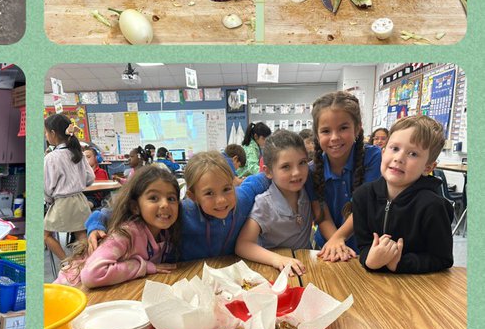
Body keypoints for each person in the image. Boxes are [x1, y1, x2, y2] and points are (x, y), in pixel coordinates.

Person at [86, 151, 270, 259]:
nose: (221, 200)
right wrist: (95, 226)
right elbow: (109, 212)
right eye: (209, 193)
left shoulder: (241, 197)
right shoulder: (180, 211)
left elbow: (263, 178)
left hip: (232, 279)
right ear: (192, 196)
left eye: (226, 189)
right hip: (186, 279)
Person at [353, 116, 453, 274]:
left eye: (413, 154)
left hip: (416, 289)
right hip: (373, 287)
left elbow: (442, 258)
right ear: (383, 152)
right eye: (395, 148)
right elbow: (364, 245)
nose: (399, 158)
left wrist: (401, 263)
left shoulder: (433, 206)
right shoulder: (362, 196)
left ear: (428, 167)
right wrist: (369, 260)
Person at [57, 165, 181, 288]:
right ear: (135, 207)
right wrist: (144, 266)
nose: (165, 204)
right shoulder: (127, 232)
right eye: (153, 198)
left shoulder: (167, 232)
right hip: (69, 292)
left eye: (171, 198)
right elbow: (91, 275)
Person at [235, 130, 326, 277]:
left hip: (307, 269)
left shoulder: (307, 192)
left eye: (302, 163)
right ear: (269, 172)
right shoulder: (264, 203)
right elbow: (243, 245)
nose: (297, 172)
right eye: (286, 167)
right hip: (277, 273)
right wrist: (277, 259)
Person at [308, 89, 382, 261]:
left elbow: (364, 206)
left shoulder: (373, 157)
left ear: (357, 129)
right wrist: (336, 242)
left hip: (367, 249)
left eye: (343, 128)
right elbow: (322, 215)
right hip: (328, 248)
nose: (334, 137)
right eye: (326, 131)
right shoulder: (312, 170)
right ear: (317, 135)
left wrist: (339, 239)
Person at [44, 113, 94, 261]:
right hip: (80, 200)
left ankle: (66, 262)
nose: (46, 135)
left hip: (63, 203)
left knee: (45, 235)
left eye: (46, 132)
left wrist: (49, 200)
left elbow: (47, 186)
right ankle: (86, 262)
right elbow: (90, 178)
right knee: (81, 235)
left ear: (53, 133)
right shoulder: (77, 152)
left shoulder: (50, 157)